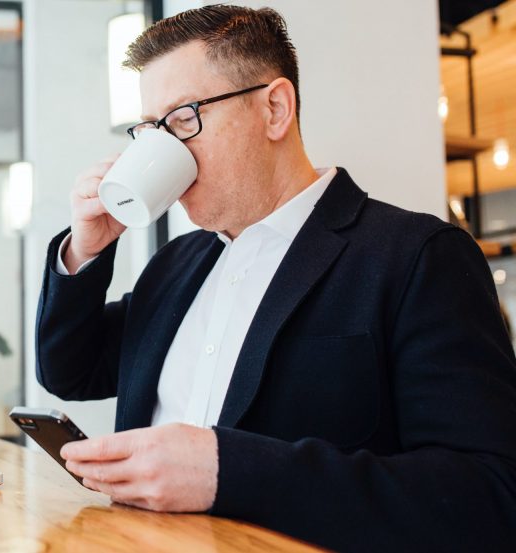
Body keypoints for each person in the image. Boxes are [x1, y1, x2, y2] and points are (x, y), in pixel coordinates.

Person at [34, 5, 516, 552]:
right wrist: (85, 250)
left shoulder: (416, 257)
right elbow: (70, 372)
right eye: (150, 129)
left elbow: (490, 494)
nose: (163, 149)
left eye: (183, 119)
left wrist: (229, 469)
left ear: (275, 109)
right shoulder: (177, 265)